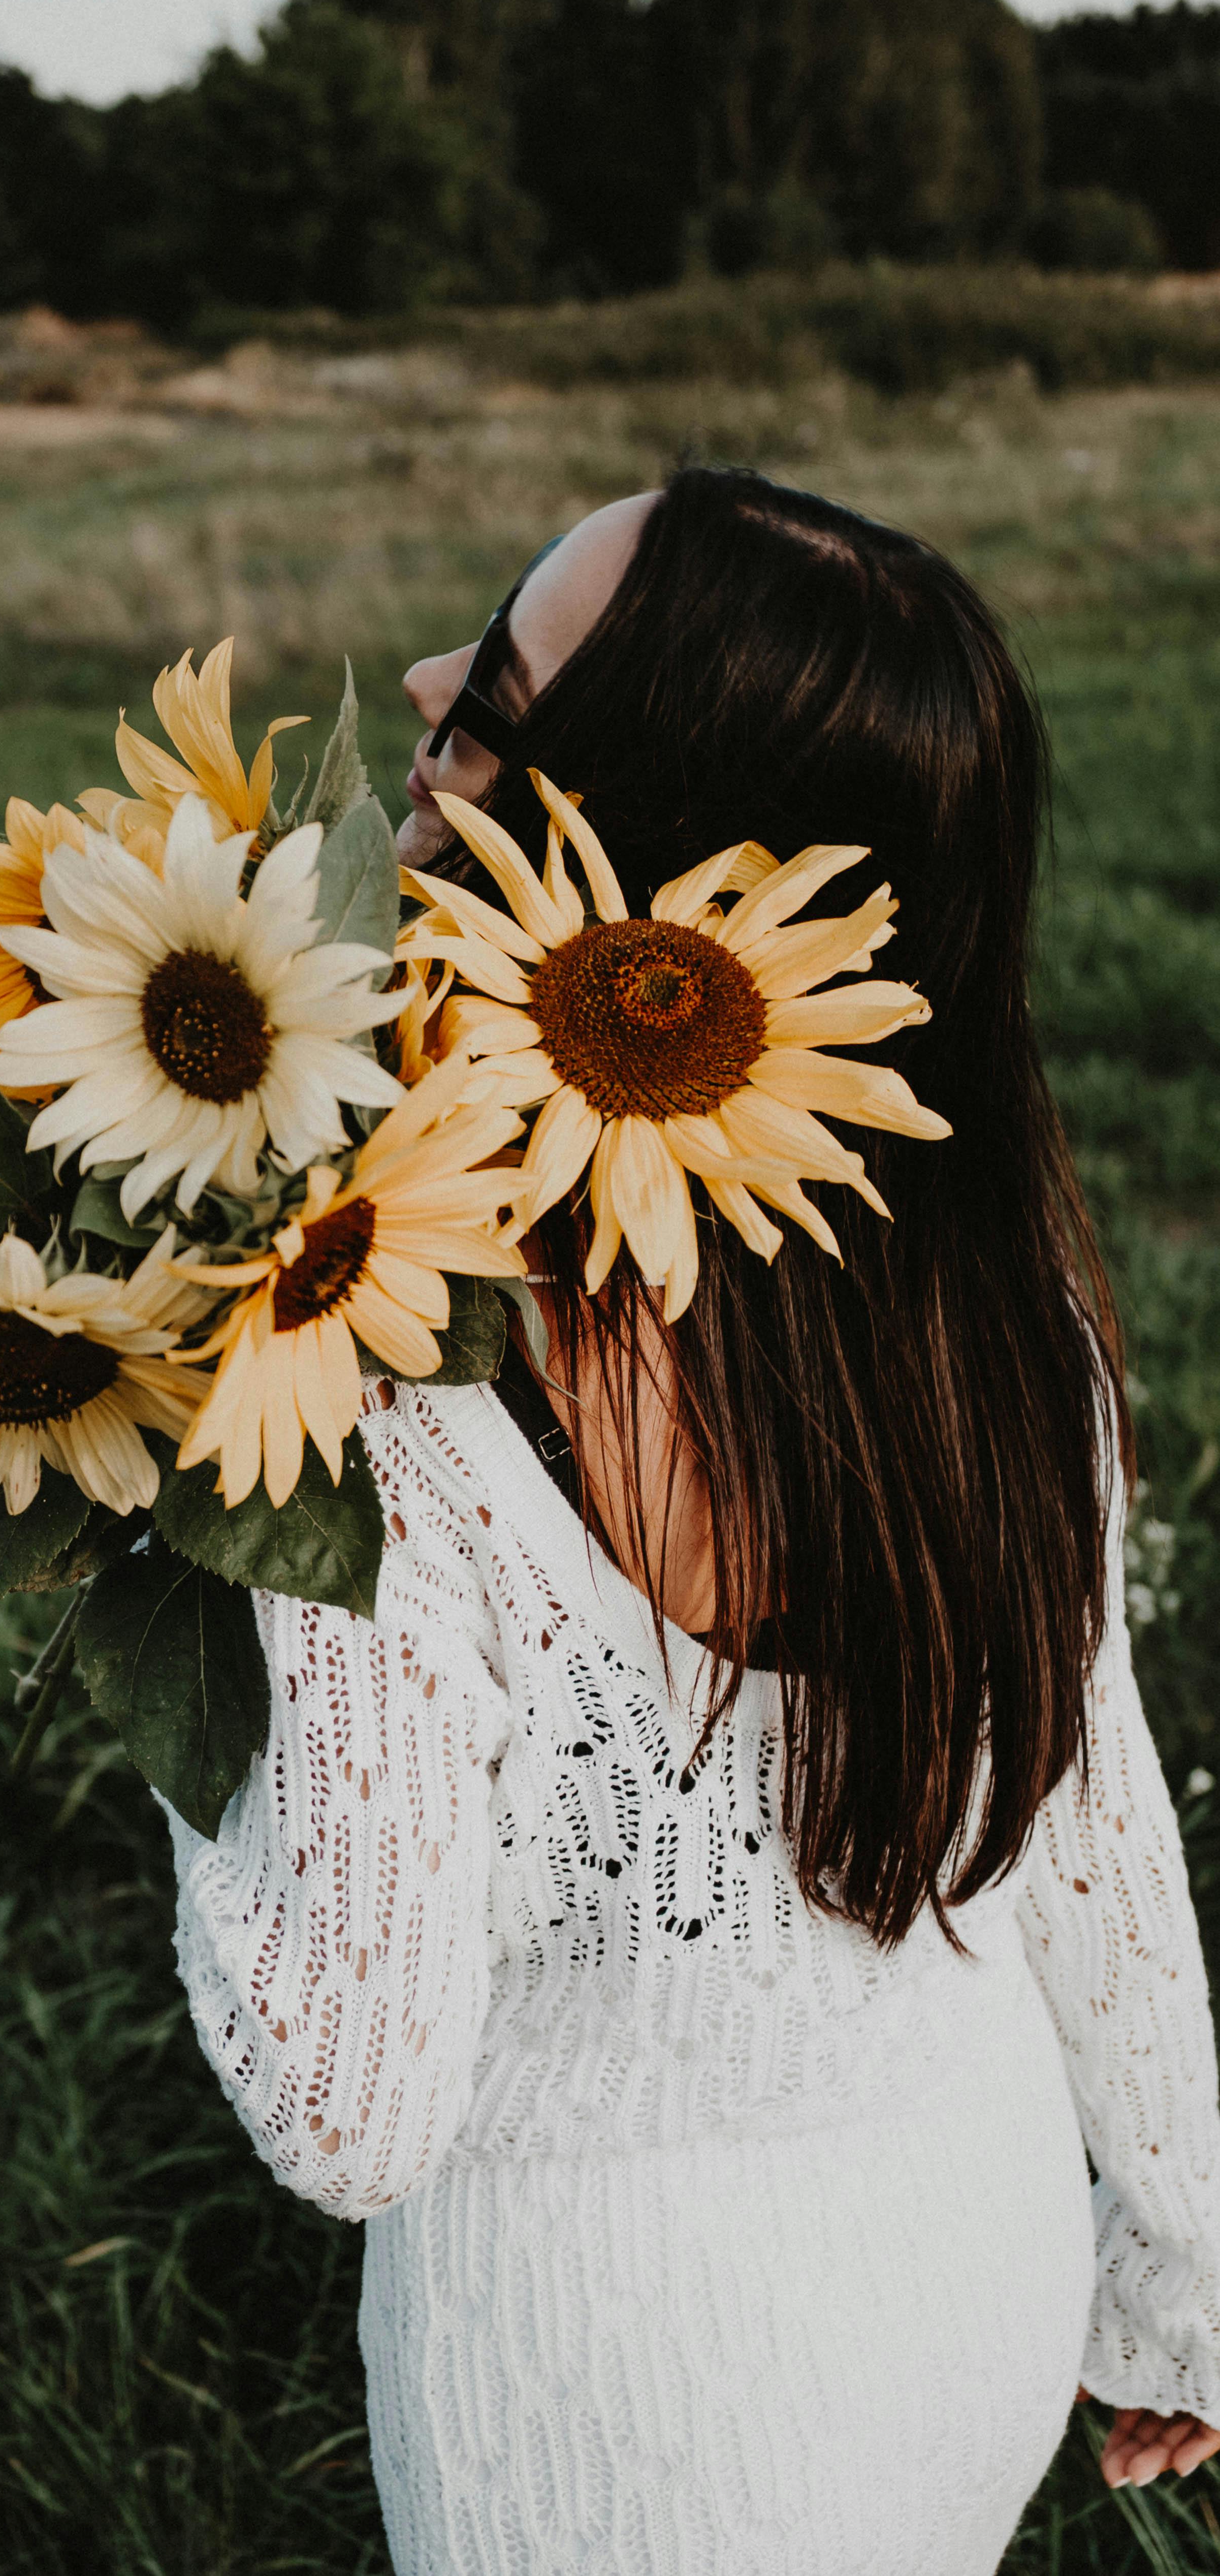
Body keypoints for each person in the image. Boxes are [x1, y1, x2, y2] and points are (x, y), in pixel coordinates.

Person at [163, 468, 1220, 2574]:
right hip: (965, 2260)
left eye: (506, 686)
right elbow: (1088, 1812)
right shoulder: (991, 1292)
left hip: (613, 2415)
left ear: (630, 858)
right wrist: (1180, 2262)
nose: (429, 683)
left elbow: (343, 2100)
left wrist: (187, 1521)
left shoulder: (387, 1371)